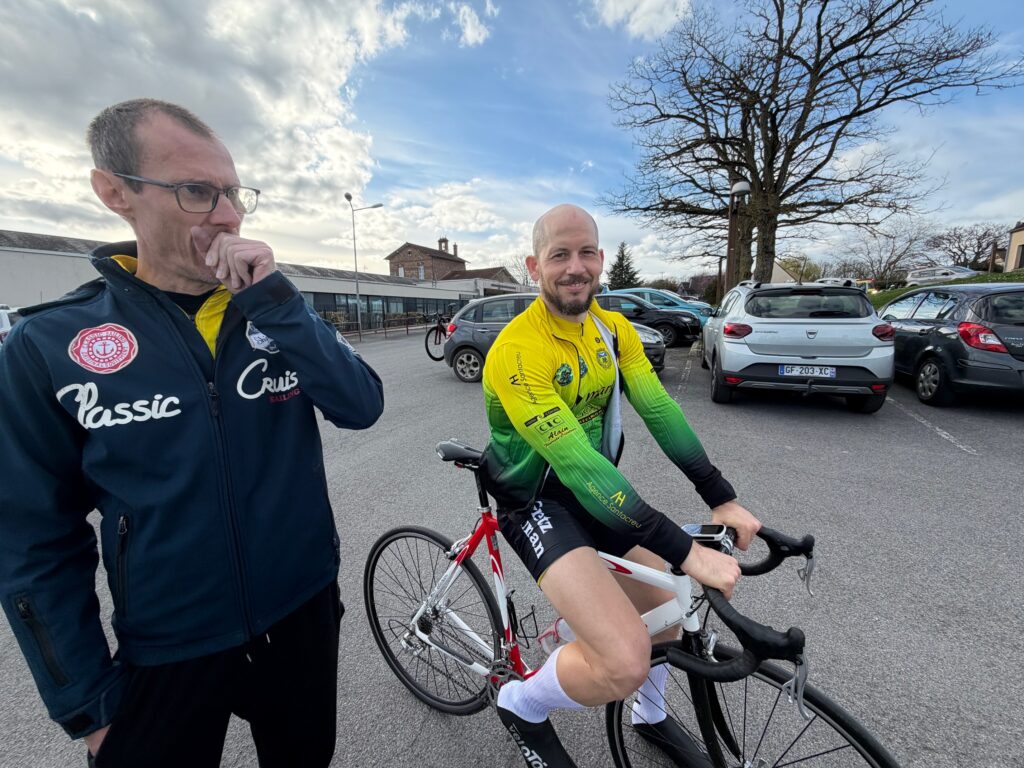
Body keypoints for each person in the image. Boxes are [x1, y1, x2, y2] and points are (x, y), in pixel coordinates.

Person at [0, 99, 385, 768]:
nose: (229, 216)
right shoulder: (49, 342)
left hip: (299, 614)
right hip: (168, 645)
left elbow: (361, 405)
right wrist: (88, 704)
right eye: (198, 192)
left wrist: (279, 303)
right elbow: (32, 538)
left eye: (234, 193)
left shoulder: (272, 308)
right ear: (115, 192)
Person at [481, 204, 761, 768]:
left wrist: (721, 496)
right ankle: (520, 703)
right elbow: (578, 464)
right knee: (625, 660)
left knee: (667, 613)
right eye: (559, 255)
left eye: (586, 252)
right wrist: (687, 552)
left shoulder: (613, 329)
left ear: (602, 259)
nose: (575, 267)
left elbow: (658, 409)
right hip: (536, 502)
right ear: (534, 266)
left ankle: (649, 715)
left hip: (596, 491)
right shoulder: (517, 350)